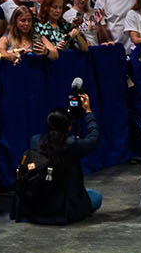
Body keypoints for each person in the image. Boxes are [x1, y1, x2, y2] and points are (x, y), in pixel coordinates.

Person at [14, 86, 101, 225]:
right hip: (63, 210)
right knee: (96, 196)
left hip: (37, 207)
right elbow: (94, 138)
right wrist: (88, 111)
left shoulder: (35, 141)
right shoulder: (71, 145)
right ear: (68, 127)